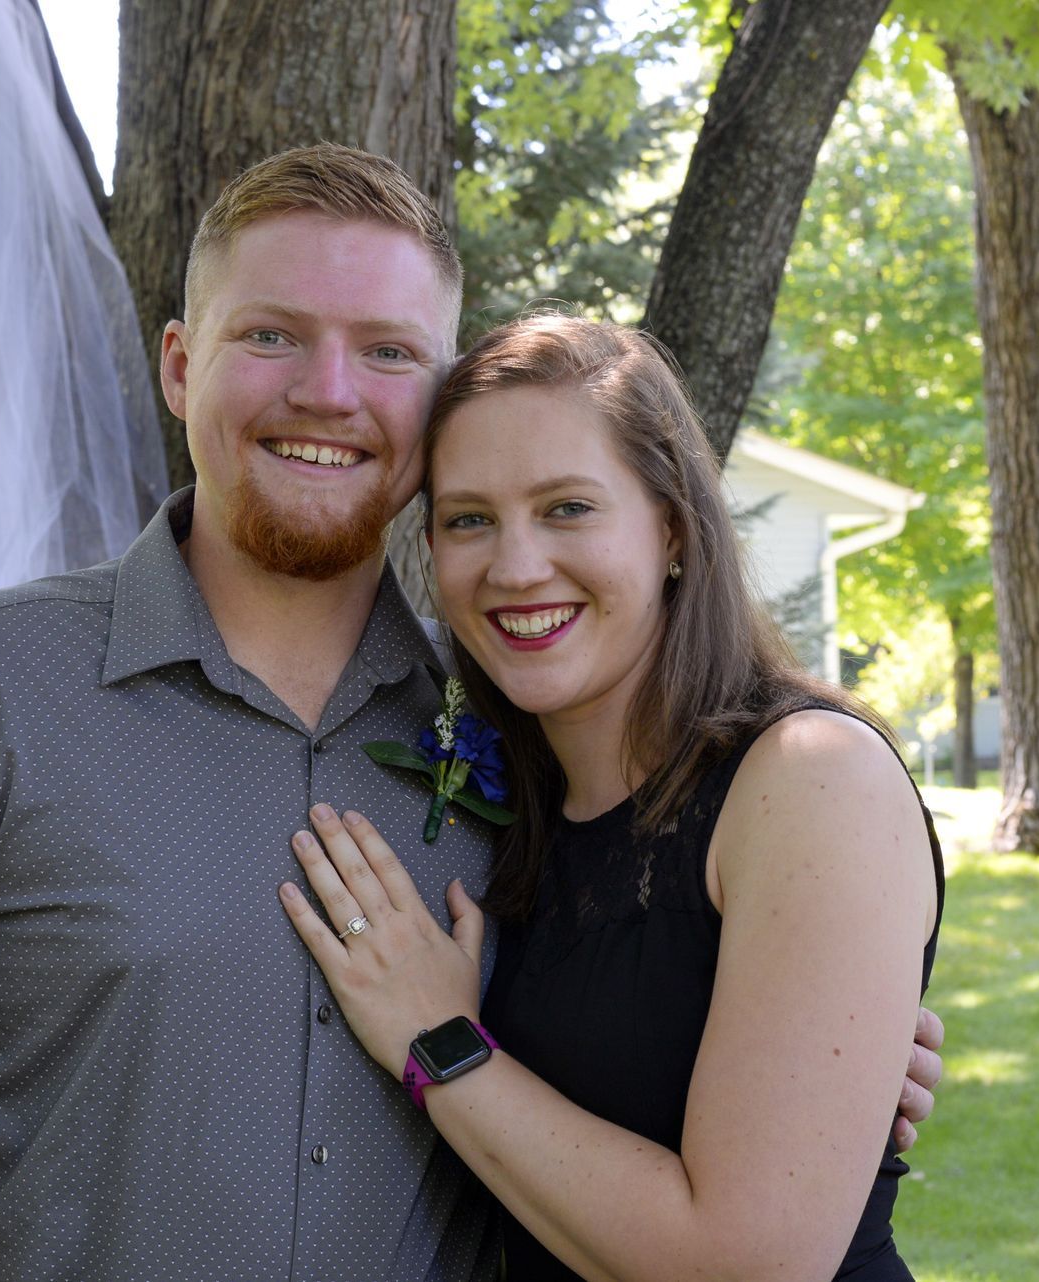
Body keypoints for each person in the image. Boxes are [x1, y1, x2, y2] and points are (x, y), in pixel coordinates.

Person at [0, 145, 942, 1281]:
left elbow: (656, 997)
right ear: (182, 366)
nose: (329, 392)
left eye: (388, 351)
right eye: (272, 335)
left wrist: (839, 1037)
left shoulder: (510, 735)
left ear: (433, 397)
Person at [280, 313, 944, 1280]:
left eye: (568, 508)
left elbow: (746, 1266)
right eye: (470, 519)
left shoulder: (807, 777)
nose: (515, 567)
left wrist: (442, 1046)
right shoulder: (501, 808)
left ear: (672, 526)